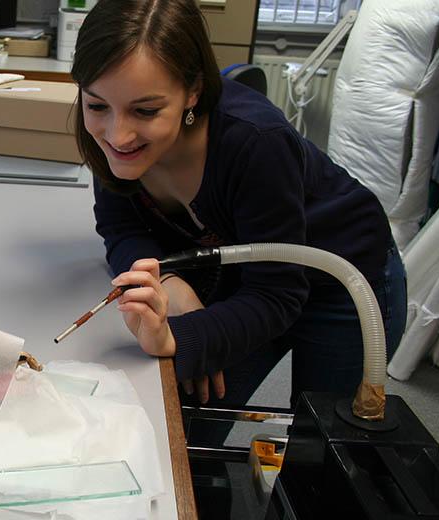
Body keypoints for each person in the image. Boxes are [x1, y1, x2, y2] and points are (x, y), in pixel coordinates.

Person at [72, 0, 407, 428]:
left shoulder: (255, 143)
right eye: (97, 105)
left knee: (321, 437)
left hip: (340, 280)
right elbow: (121, 227)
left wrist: (182, 335)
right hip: (245, 272)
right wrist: (169, 283)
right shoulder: (109, 135)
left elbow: (277, 293)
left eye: (146, 110)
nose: (117, 135)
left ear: (192, 90)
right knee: (189, 423)